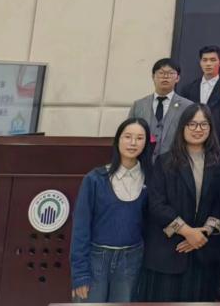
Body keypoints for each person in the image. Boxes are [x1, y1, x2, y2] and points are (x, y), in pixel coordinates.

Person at [136, 103, 220, 301]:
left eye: (203, 124)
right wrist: (187, 232)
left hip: (203, 253)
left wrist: (202, 233)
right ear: (182, 127)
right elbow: (156, 204)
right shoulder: (165, 161)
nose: (197, 129)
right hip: (168, 253)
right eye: (192, 124)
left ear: (210, 128)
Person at [70, 118, 151, 303]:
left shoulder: (150, 179)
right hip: (96, 259)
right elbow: (80, 229)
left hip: (131, 261)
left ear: (146, 143)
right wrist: (80, 274)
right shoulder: (95, 179)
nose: (133, 143)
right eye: (127, 136)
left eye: (139, 138)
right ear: (118, 140)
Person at [129, 58, 192, 156]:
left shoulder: (188, 106)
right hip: (142, 159)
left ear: (177, 78)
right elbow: (129, 132)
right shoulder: (139, 105)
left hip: (174, 160)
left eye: (170, 73)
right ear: (153, 77)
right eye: (161, 73)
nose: (165, 77)